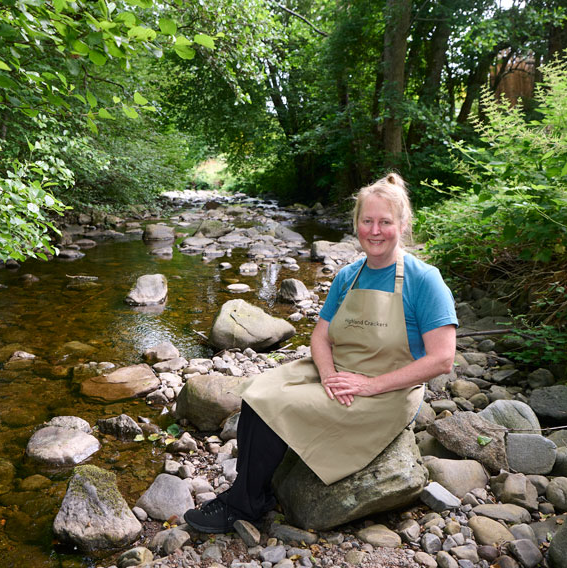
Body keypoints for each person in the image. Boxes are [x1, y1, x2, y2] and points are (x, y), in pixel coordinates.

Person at [183, 173, 458, 533]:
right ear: (356, 223)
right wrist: (328, 376)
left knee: (280, 407)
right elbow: (320, 338)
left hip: (387, 390)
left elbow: (442, 359)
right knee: (257, 393)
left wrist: (369, 386)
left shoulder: (425, 280)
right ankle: (254, 493)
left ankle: (243, 504)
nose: (375, 231)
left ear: (403, 225)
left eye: (385, 222)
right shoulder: (349, 276)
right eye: (367, 221)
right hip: (337, 372)